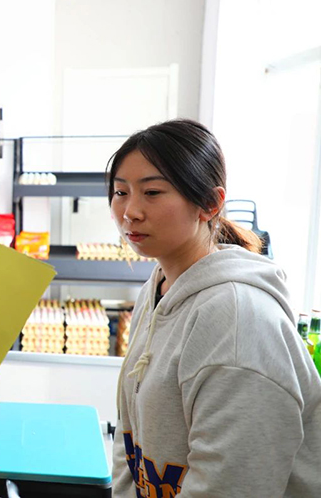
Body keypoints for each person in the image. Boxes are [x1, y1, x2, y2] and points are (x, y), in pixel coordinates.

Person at [108, 118, 321, 497]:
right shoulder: (157, 289)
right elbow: (130, 445)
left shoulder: (238, 320)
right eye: (121, 192)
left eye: (152, 192)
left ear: (210, 203)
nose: (130, 211)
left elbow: (231, 485)